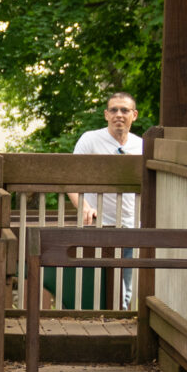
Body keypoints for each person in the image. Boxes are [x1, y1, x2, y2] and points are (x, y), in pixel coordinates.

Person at [73, 92, 144, 308]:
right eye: (113, 110)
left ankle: (118, 321)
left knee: (126, 287)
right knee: (98, 286)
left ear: (135, 115)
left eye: (124, 110)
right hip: (98, 226)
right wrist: (84, 207)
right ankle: (101, 323)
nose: (119, 115)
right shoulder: (90, 139)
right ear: (106, 114)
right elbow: (69, 178)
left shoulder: (142, 145)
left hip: (131, 226)